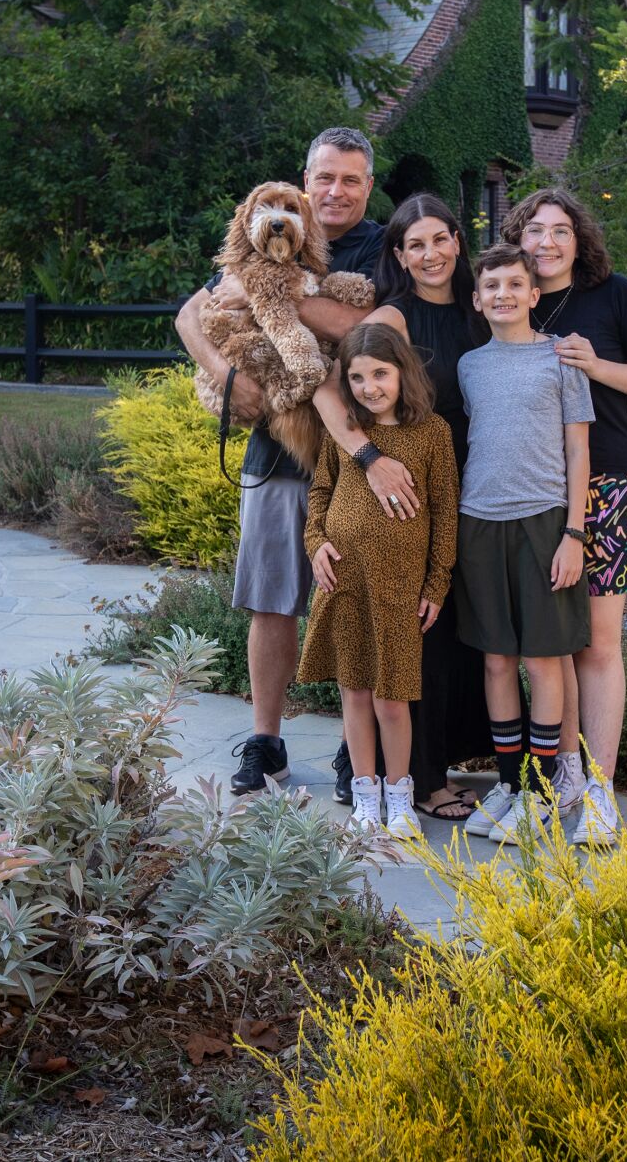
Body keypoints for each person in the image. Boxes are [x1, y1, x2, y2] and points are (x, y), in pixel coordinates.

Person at [174, 127, 385, 794]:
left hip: (356, 453)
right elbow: (189, 314)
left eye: (350, 179)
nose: (335, 191)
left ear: (368, 186)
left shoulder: (382, 247)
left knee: (356, 601)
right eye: (324, 177)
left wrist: (284, 298)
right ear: (304, 179)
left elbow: (369, 329)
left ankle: (361, 750)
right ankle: (266, 741)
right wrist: (228, 378)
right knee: (271, 602)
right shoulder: (266, 227)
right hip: (276, 451)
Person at [309, 193, 493, 821]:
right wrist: (367, 457)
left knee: (464, 635)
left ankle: (431, 763)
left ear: (457, 243)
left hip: (476, 485)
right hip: (407, 493)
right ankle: (418, 779)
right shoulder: (396, 317)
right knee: (424, 641)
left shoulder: (480, 308)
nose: (430, 253)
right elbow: (335, 391)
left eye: (440, 239)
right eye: (415, 244)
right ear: (399, 255)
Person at [504, 187, 627, 846]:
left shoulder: (614, 295)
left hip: (606, 480)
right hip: (530, 490)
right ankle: (562, 775)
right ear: (517, 237)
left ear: (579, 239)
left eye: (561, 230)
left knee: (599, 643)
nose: (547, 241)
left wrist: (594, 362)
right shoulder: (506, 296)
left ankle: (601, 792)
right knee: (549, 644)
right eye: (535, 229)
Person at [453, 244, 594, 846]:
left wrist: (574, 534)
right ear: (479, 299)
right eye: (492, 286)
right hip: (478, 520)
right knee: (495, 660)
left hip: (545, 522)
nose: (503, 294)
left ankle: (540, 794)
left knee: (543, 659)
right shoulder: (469, 366)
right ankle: (511, 786)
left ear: (535, 296)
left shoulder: (561, 360)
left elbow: (578, 452)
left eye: (516, 284)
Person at [297, 323, 459, 839]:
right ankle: (364, 795)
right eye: (359, 377)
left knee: (393, 698)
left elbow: (445, 516)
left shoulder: (432, 432)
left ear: (403, 373)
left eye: (381, 374)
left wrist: (436, 585)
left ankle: (400, 797)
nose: (370, 387)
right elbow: (320, 493)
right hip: (344, 580)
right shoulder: (343, 430)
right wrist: (315, 543)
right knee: (355, 694)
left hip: (398, 591)